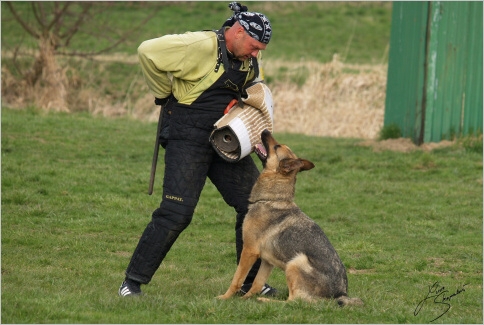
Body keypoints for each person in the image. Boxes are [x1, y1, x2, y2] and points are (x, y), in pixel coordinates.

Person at [118, 2, 276, 297]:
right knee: (177, 212)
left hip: (226, 138)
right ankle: (132, 282)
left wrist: (248, 122)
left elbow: (255, 88)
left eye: (260, 50)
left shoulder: (249, 58)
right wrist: (162, 92)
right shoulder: (199, 45)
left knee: (255, 204)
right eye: (254, 47)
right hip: (187, 135)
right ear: (238, 32)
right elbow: (147, 51)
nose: (256, 54)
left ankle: (249, 284)